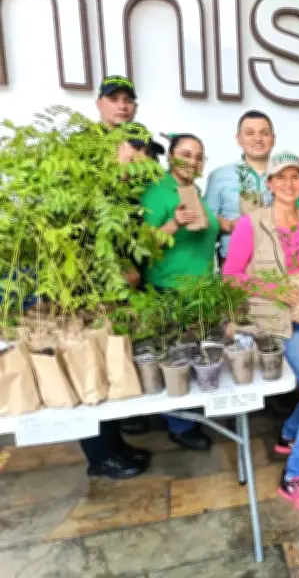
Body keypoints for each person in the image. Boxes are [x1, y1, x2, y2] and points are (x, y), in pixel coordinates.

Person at [223, 151, 299, 513]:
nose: (289, 184)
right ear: (269, 183)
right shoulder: (251, 223)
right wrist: (272, 288)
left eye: (295, 177)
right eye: (281, 177)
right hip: (280, 320)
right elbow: (231, 274)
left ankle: (289, 433)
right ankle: (294, 477)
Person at [78, 76, 154, 479]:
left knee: (116, 353)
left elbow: (140, 208)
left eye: (128, 100)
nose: (122, 106)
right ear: (99, 103)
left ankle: (115, 444)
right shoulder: (85, 148)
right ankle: (100, 455)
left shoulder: (138, 144)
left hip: (128, 267)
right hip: (97, 272)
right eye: (114, 99)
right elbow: (91, 212)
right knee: (94, 356)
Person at [140, 134, 219, 451]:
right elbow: (143, 247)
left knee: (196, 352)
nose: (193, 161)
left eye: (199, 156)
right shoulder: (156, 193)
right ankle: (180, 425)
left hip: (200, 289)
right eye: (186, 154)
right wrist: (173, 223)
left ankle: (193, 416)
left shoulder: (193, 191)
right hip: (169, 288)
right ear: (171, 156)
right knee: (176, 355)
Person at [204, 111, 275, 267]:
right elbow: (205, 222)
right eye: (249, 133)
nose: (258, 139)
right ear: (239, 139)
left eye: (264, 133)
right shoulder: (219, 176)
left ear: (273, 138)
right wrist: (228, 224)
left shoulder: (286, 175)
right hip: (232, 265)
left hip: (277, 264)